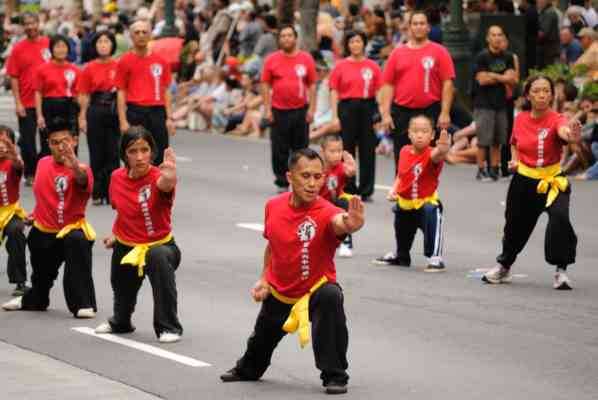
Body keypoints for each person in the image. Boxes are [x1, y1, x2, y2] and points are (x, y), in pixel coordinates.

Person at [220, 148, 365, 395]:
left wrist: (351, 224)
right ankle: (248, 368)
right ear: (289, 177)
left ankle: (335, 375)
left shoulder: (327, 211)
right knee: (258, 348)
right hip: (281, 292)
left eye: (318, 177)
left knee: (331, 295)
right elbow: (272, 246)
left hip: (315, 292)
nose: (312, 183)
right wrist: (264, 278)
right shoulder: (273, 206)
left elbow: (340, 222)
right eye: (305, 176)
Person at [482, 76, 580, 290]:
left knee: (560, 218)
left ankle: (561, 271)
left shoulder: (557, 119)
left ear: (552, 95)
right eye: (537, 90)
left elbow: (563, 132)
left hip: (553, 180)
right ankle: (504, 266)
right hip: (524, 181)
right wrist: (515, 160)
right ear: (528, 95)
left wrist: (570, 135)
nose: (542, 94)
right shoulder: (520, 119)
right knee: (515, 226)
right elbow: (515, 143)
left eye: (546, 90)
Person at [94, 127, 183, 343]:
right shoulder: (116, 178)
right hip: (127, 245)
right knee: (121, 288)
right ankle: (120, 321)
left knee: (158, 256)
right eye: (133, 151)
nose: (140, 156)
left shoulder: (159, 177)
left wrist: (170, 178)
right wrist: (116, 235)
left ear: (152, 153)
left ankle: (168, 326)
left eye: (145, 150)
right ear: (125, 154)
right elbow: (124, 212)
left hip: (161, 247)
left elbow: (164, 187)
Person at [2, 118, 97, 317]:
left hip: (70, 231)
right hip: (44, 231)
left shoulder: (83, 169)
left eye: (65, 141)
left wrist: (74, 167)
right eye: (55, 143)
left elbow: (82, 181)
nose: (61, 147)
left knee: (78, 242)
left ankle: (83, 304)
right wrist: (35, 215)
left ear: (75, 141)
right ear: (48, 145)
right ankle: (33, 298)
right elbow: (44, 195)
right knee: (40, 279)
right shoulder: (43, 163)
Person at [380, 11, 455, 170]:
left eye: (422, 23)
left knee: (429, 158)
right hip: (402, 112)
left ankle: (427, 193)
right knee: (402, 157)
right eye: (415, 24)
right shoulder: (397, 53)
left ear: (428, 27)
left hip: (430, 110)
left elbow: (447, 83)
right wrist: (385, 114)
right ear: (409, 28)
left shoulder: (440, 51)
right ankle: (401, 192)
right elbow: (388, 85)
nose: (419, 27)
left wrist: (445, 112)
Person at [374, 115, 450, 271]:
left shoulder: (431, 153)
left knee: (432, 211)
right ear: (409, 133)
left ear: (432, 135)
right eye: (415, 131)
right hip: (406, 204)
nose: (420, 135)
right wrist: (394, 190)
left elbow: (437, 156)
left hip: (424, 204)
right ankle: (401, 256)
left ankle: (435, 258)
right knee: (400, 220)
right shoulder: (404, 151)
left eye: (424, 131)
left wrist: (442, 150)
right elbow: (401, 175)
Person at [262, 25, 317, 193]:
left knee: (301, 150)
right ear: (279, 39)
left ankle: (301, 181)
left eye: (289, 35)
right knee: (279, 149)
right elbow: (265, 85)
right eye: (283, 36)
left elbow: (312, 85)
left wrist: (312, 109)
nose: (286, 39)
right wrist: (267, 109)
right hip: (279, 110)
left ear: (295, 38)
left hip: (300, 110)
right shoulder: (272, 60)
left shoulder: (306, 59)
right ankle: (282, 181)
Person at [329, 30, 382, 202]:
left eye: (358, 41)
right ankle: (348, 187)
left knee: (368, 149)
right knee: (346, 149)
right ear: (347, 45)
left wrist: (380, 114)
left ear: (364, 43)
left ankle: (366, 189)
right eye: (351, 42)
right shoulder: (340, 66)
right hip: (347, 108)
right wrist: (334, 116)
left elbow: (380, 91)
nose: (355, 45)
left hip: (367, 107)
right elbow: (334, 91)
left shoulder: (372, 66)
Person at [116, 19, 175, 165]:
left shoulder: (161, 61)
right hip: (135, 111)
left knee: (159, 154)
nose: (141, 35)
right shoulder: (124, 61)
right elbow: (121, 92)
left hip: (157, 112)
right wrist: (123, 121)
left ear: (150, 35)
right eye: (137, 32)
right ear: (131, 36)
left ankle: (157, 187)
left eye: (144, 32)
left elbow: (166, 90)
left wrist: (169, 118)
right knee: (134, 155)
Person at [6, 12, 50, 186]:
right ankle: (30, 173)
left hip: (48, 101)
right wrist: (18, 102)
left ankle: (44, 171)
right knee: (28, 143)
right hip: (26, 102)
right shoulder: (18, 49)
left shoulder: (48, 44)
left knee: (48, 141)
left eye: (33, 23)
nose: (30, 27)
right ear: (23, 26)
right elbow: (14, 77)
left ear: (39, 23)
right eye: (27, 24)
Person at [78, 31, 120, 206]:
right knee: (96, 152)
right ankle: (97, 191)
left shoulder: (119, 65)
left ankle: (113, 193)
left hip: (113, 111)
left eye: (107, 41)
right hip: (95, 110)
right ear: (95, 46)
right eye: (100, 42)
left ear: (112, 45)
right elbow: (84, 95)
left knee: (113, 153)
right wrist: (82, 117)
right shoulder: (88, 68)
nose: (103, 45)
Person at [472, 25, 518, 182]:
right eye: (493, 35)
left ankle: (494, 169)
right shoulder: (482, 57)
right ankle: (480, 169)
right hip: (483, 104)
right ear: (488, 38)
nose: (497, 38)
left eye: (500, 34)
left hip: (501, 104)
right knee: (483, 140)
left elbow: (512, 79)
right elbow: (482, 80)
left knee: (498, 140)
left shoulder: (508, 57)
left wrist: (492, 75)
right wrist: (501, 76)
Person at [34, 34, 80, 158]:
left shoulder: (74, 69)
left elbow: (78, 95)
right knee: (48, 144)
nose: (61, 49)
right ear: (52, 49)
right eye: (57, 46)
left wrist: (80, 116)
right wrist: (39, 115)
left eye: (64, 46)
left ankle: (71, 174)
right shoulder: (42, 69)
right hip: (49, 107)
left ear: (68, 49)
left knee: (70, 143)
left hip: (69, 108)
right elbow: (38, 92)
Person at [0, 126, 28, 296]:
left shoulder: (13, 163)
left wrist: (14, 154)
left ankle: (20, 281)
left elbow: (19, 165)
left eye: (5, 142)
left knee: (16, 231)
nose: (2, 146)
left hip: (10, 211)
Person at [319, 135, 357, 257]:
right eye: (332, 151)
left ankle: (345, 241)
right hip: (318, 202)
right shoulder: (317, 167)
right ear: (323, 152)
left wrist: (351, 172)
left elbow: (348, 172)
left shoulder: (341, 167)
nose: (336, 155)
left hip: (335, 201)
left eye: (339, 151)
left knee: (346, 204)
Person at [536, 0, 560, 68]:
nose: (538, 1)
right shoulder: (543, 12)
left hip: (548, 50)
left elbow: (543, 33)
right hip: (545, 49)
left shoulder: (549, 13)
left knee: (547, 72)